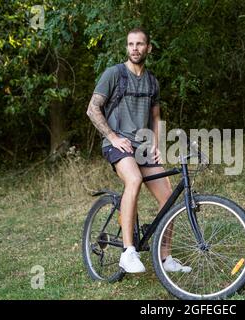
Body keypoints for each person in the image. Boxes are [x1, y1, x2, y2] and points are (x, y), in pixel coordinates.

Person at [86, 27, 191, 273]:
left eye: (140, 44)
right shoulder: (114, 74)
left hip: (143, 147)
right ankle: (128, 252)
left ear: (148, 48)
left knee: (168, 200)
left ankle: (166, 258)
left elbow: (156, 116)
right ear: (127, 47)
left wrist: (156, 143)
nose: (135, 48)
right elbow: (92, 109)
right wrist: (112, 137)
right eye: (131, 44)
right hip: (118, 145)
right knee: (133, 180)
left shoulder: (152, 81)